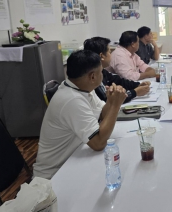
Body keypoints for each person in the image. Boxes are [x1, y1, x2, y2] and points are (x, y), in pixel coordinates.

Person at [33, 50, 127, 179]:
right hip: (55, 175)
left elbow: (102, 115)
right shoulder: (72, 100)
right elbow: (98, 143)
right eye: (101, 72)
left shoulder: (81, 87)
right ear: (92, 76)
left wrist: (111, 100)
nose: (103, 76)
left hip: (74, 157)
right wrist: (116, 105)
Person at [84, 37, 150, 103]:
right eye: (109, 52)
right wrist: (135, 92)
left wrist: (137, 85)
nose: (111, 55)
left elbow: (119, 81)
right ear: (102, 56)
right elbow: (107, 100)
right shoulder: (93, 78)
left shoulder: (102, 71)